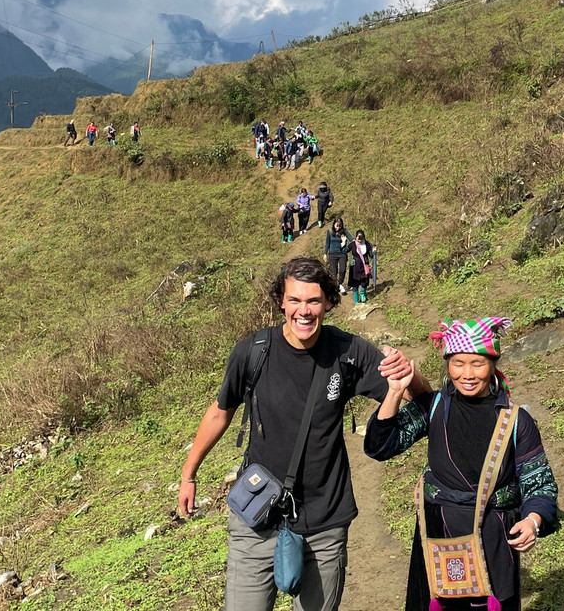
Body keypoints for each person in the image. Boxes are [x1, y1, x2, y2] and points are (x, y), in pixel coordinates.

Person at [177, 257, 428, 611]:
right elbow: (220, 413)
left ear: (328, 301)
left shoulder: (348, 352)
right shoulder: (253, 352)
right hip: (257, 516)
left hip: (325, 520)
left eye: (313, 301)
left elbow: (420, 395)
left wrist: (409, 373)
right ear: (281, 301)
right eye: (294, 300)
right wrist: (189, 474)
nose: (304, 311)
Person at [365, 318, 559, 611]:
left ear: (492, 364)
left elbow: (540, 484)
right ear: (447, 364)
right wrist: (394, 391)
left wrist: (532, 521)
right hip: (437, 532)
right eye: (458, 363)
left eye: (477, 364)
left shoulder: (515, 421)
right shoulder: (433, 407)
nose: (467, 374)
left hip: (492, 538)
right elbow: (380, 446)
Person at [323, 217, 352, 294]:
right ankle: (336, 286)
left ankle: (340, 283)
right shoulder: (329, 232)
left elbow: (352, 240)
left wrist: (344, 242)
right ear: (334, 224)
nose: (338, 228)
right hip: (332, 254)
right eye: (337, 226)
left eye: (340, 226)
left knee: (342, 270)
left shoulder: (344, 231)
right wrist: (325, 253)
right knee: (334, 272)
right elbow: (327, 243)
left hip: (342, 253)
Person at [347, 230, 375, 305]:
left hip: (364, 266)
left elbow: (371, 256)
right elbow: (344, 251)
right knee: (355, 283)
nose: (359, 240)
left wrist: (373, 251)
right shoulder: (353, 244)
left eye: (361, 239)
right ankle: (356, 301)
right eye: (358, 239)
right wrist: (343, 243)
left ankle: (362, 294)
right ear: (355, 237)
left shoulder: (367, 244)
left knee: (364, 282)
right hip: (354, 267)